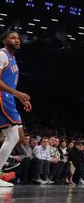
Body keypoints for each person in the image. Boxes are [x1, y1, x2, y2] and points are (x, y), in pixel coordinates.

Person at [0, 30, 32, 188]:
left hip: (8, 99)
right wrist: (17, 94)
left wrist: (18, 97)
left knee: (14, 137)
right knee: (12, 137)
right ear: (4, 41)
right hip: (2, 98)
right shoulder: (2, 54)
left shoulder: (13, 58)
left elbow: (10, 84)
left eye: (18, 38)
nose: (17, 40)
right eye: (12, 37)